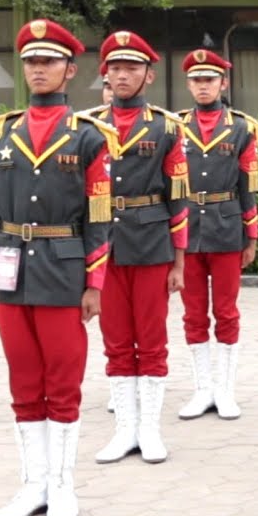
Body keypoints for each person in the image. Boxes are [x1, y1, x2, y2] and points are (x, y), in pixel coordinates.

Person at [0, 19, 117, 516]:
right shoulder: (0, 134)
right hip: (13, 275)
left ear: (69, 70)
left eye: (49, 61)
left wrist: (95, 283)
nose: (39, 68)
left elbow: (100, 218)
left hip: (63, 272)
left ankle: (62, 487)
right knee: (23, 381)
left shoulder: (89, 138)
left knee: (63, 382)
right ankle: (31, 485)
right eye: (32, 61)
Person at [85, 31, 189, 466]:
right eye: (116, 67)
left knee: (151, 338)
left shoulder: (167, 127)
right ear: (104, 73)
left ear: (148, 76)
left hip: (151, 242)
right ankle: (124, 429)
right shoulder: (86, 127)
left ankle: (148, 429)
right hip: (104, 243)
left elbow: (179, 198)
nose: (123, 74)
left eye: (132, 68)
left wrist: (179, 261)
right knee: (114, 340)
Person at [175, 50, 258, 421]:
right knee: (193, 313)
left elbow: (248, 184)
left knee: (226, 311)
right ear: (189, 84)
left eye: (209, 79)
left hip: (227, 226)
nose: (203, 85)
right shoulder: (174, 126)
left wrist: (252, 235)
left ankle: (224, 390)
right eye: (196, 79)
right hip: (187, 227)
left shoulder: (242, 127)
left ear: (223, 83)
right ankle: (201, 389)